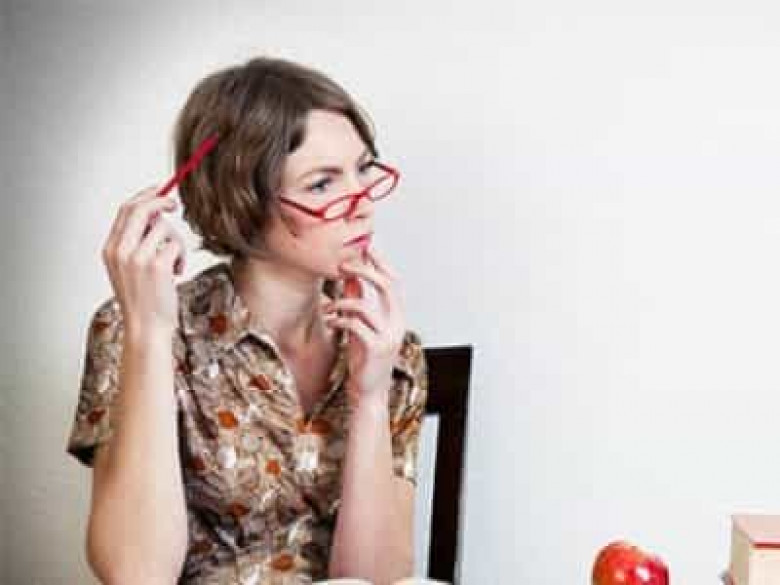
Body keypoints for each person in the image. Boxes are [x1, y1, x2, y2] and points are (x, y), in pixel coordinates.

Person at [65, 56, 429, 585]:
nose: (361, 204)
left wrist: (370, 397)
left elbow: (376, 580)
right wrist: (150, 336)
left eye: (363, 169)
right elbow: (136, 574)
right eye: (322, 184)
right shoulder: (135, 326)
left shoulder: (390, 348)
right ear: (244, 201)